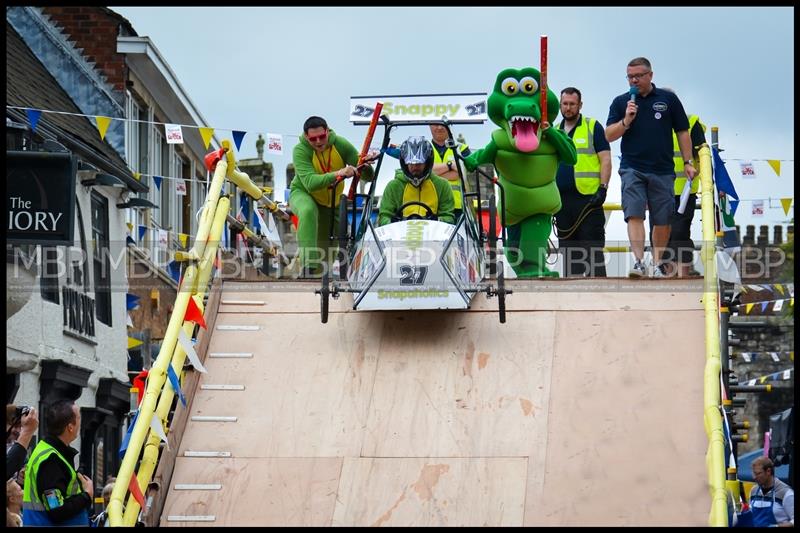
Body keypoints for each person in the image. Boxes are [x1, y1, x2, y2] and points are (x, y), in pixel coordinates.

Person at [605, 57, 697, 278]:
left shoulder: (668, 100)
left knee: (663, 220)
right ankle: (638, 262)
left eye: (638, 76)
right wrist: (626, 120)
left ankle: (656, 263)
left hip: (663, 170)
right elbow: (608, 135)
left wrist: (687, 162)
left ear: (650, 75)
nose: (634, 80)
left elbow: (683, 131)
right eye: (630, 77)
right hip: (632, 168)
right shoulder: (621, 102)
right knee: (634, 214)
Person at [290, 116, 375, 275]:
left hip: (331, 202)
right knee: (308, 210)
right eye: (313, 139)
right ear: (306, 137)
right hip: (303, 193)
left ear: (327, 131)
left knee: (325, 258)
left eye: (321, 136)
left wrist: (366, 164)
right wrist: (339, 173)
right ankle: (308, 265)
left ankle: (319, 282)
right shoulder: (300, 150)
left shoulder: (341, 145)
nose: (318, 142)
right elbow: (309, 182)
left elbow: (368, 176)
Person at [554, 87, 612, 277]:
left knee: (593, 250)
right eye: (565, 104)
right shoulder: (555, 131)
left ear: (580, 105)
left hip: (589, 200)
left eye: (572, 104)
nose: (568, 108)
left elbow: (605, 159)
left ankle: (601, 299)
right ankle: (574, 301)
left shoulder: (592, 126)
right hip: (562, 202)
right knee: (569, 254)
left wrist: (603, 189)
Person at [648, 95, 707, 277]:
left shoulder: (691, 122)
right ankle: (665, 275)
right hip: (658, 190)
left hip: (684, 191)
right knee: (659, 233)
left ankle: (682, 277)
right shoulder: (649, 123)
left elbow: (703, 156)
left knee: (680, 233)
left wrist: (709, 185)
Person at [22, 400, 93, 526]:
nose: (81, 422)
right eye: (79, 417)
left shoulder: (53, 454)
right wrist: (86, 495)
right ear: (70, 427)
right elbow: (57, 510)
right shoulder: (50, 460)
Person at [378, 136, 455, 226]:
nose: (414, 167)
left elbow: (449, 218)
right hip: (399, 237)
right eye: (410, 163)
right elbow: (383, 218)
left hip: (433, 237)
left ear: (428, 162)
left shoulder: (442, 185)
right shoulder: (393, 186)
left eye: (419, 163)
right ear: (404, 163)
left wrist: (438, 220)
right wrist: (394, 222)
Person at [429, 123, 472, 221]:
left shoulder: (462, 148)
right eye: (435, 124)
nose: (439, 127)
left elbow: (463, 172)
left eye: (442, 124)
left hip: (457, 207)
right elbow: (423, 172)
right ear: (430, 125)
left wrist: (433, 172)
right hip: (430, 206)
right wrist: (450, 165)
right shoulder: (424, 148)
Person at [749, 456, 794, 527]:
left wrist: (777, 526)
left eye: (758, 474)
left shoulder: (786, 493)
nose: (754, 477)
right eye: (754, 473)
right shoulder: (754, 491)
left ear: (768, 471)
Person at [6, 404, 38, 481]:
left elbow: (23, 464)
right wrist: (27, 432)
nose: (18, 431)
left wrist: (21, 473)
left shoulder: (13, 444)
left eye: (21, 427)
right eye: (15, 426)